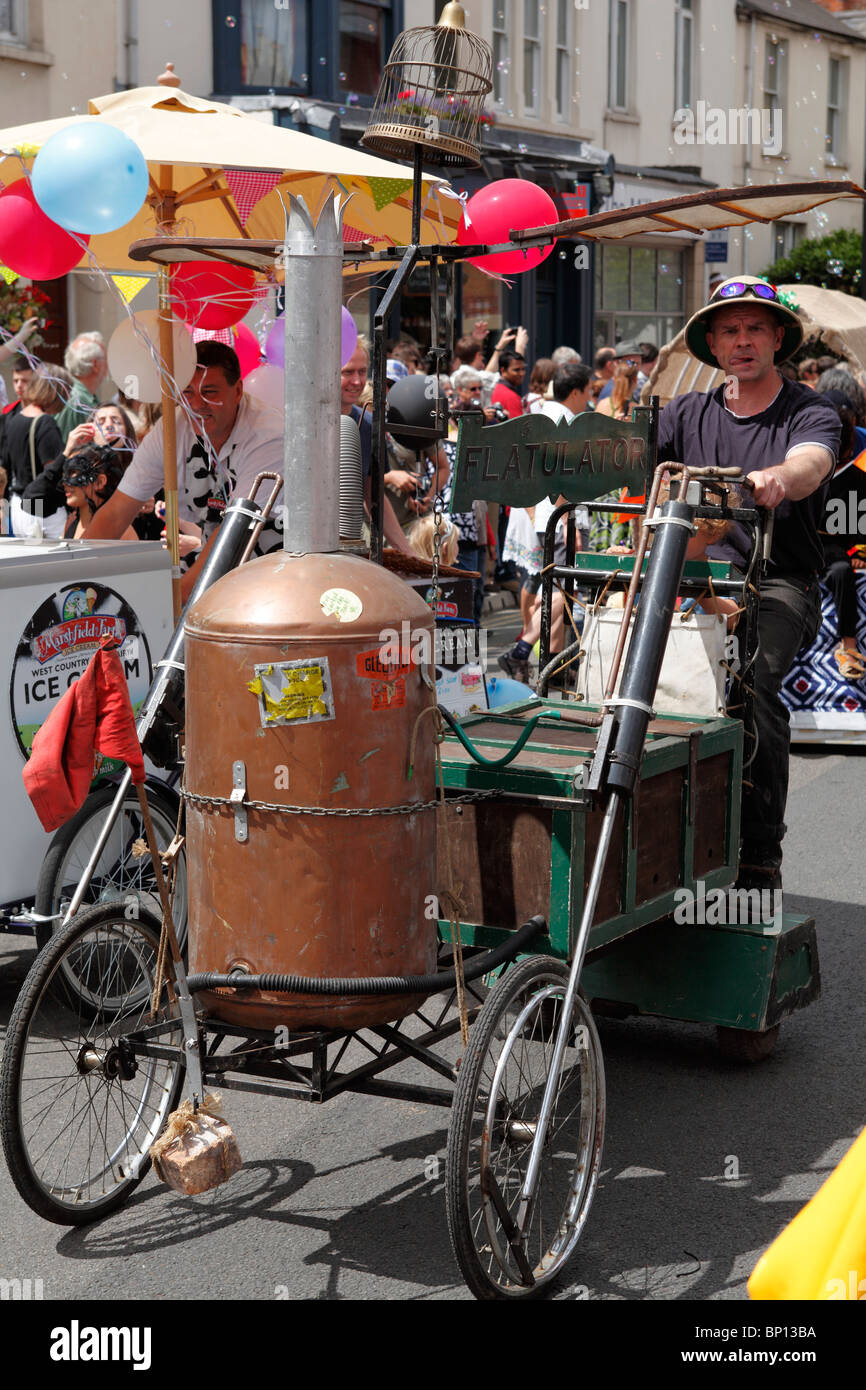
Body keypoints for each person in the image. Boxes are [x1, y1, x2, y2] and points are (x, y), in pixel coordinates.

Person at [657, 274, 840, 894]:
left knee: (751, 677)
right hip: (689, 575)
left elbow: (812, 461)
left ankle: (760, 847)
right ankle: (651, 826)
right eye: (730, 329)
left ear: (777, 337)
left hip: (777, 580)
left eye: (755, 327)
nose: (743, 340)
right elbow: (619, 455)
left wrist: (779, 478)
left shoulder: (810, 408)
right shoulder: (685, 412)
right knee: (618, 671)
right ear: (712, 341)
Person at [83, 341, 284, 599]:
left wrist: (170, 607)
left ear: (238, 391)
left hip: (271, 574)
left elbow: (232, 537)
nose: (197, 404)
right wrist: (73, 577)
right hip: (212, 561)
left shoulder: (268, 435)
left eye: (210, 392)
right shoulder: (172, 429)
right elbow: (115, 513)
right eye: (187, 393)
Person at [340, 338, 413, 556]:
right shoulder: (302, 425)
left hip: (347, 545)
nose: (357, 381)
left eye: (362, 372)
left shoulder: (369, 425)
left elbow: (374, 495)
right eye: (347, 372)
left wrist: (408, 553)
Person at [816, 390, 866, 679]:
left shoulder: (858, 466)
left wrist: (859, 550)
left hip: (836, 544)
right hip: (799, 541)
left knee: (841, 571)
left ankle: (848, 646)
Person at [2, 368, 64, 497]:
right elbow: (53, 472)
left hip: (18, 500)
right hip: (38, 503)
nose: (19, 385)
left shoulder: (15, 418)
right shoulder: (44, 422)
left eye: (24, 381)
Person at [59, 442, 138, 541]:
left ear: (99, 482)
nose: (64, 483)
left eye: (73, 472)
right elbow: (37, 496)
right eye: (65, 473)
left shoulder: (120, 530)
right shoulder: (71, 521)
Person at [55, 332, 109, 443]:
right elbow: (65, 451)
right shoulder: (76, 402)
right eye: (105, 359)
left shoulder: (84, 397)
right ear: (95, 365)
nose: (108, 364)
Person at [490, 348, 526, 420]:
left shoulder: (498, 388)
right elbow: (519, 428)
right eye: (516, 370)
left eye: (523, 369)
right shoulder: (510, 396)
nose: (522, 373)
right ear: (503, 370)